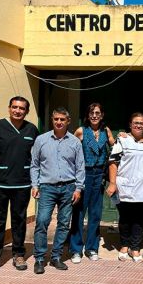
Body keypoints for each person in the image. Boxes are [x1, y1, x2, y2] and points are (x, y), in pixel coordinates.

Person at [0, 96, 39, 274]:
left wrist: (37, 182)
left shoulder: (32, 129)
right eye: (14, 107)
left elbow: (39, 156)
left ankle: (19, 254)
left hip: (22, 183)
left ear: (26, 111)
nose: (17, 111)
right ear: (9, 108)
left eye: (21, 108)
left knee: (19, 220)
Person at [30, 107, 85, 274]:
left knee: (63, 224)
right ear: (52, 120)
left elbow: (80, 167)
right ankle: (39, 258)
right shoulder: (41, 140)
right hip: (47, 187)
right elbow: (35, 164)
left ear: (68, 121)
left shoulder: (75, 142)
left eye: (62, 119)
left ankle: (56, 257)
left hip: (68, 188)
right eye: (56, 119)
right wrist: (35, 185)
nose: (59, 122)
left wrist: (78, 188)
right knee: (42, 221)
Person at [106, 113, 143, 263]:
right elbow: (113, 162)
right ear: (130, 124)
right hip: (124, 187)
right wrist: (112, 183)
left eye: (141, 123)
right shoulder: (122, 140)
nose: (139, 125)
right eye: (136, 122)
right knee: (125, 218)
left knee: (138, 219)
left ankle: (135, 247)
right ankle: (124, 245)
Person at [69, 103, 115, 264]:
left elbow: (116, 148)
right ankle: (75, 249)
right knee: (79, 212)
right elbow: (71, 150)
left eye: (97, 113)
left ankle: (92, 248)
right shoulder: (81, 131)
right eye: (91, 113)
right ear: (88, 116)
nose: (94, 116)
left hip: (99, 175)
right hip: (84, 174)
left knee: (95, 213)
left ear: (102, 115)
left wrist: (123, 136)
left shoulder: (106, 131)